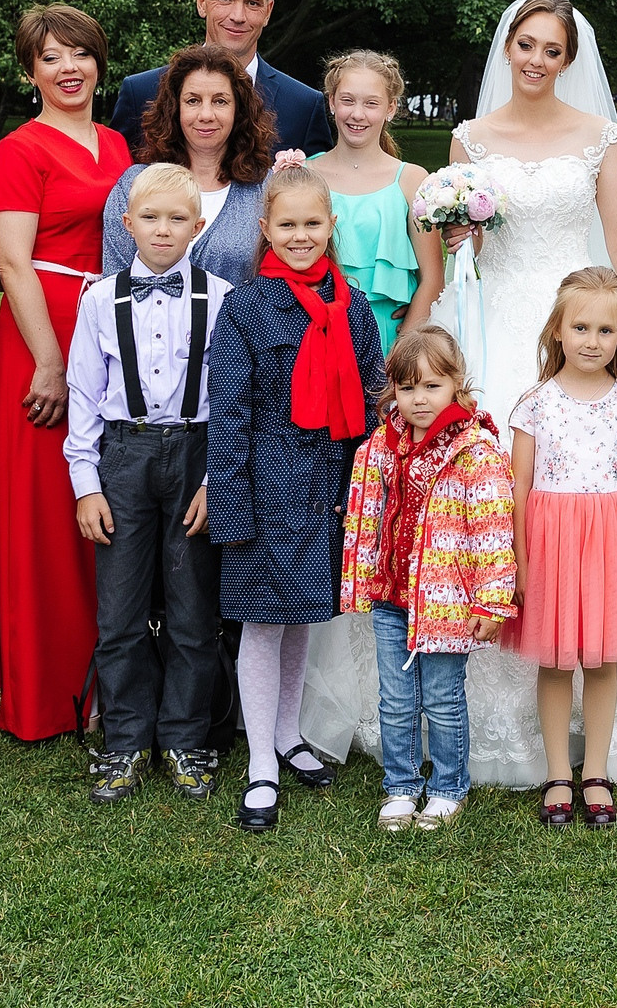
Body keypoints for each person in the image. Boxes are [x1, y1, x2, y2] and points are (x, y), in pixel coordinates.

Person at [206, 165, 389, 832]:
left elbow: (369, 401)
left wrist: (364, 492)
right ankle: (261, 761)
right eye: (287, 225)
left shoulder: (354, 307)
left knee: (304, 613)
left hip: (328, 485)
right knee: (262, 620)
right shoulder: (245, 308)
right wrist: (230, 505)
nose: (301, 235)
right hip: (265, 485)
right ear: (266, 229)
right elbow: (228, 414)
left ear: (331, 226)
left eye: (313, 223)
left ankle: (288, 735)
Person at [0, 4, 135, 744]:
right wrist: (47, 360)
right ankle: (46, 694)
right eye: (50, 57)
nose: (68, 68)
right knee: (45, 510)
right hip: (43, 327)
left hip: (107, 323)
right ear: (30, 72)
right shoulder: (20, 149)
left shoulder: (116, 142)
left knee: (101, 496)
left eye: (80, 53)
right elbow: (11, 261)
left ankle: (105, 680)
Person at [64, 163, 227, 804]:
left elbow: (232, 399)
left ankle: (185, 738)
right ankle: (126, 739)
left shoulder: (221, 298)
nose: (163, 229)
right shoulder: (99, 299)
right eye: (150, 217)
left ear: (198, 225)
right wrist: (86, 484)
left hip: (194, 456)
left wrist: (215, 480)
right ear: (127, 223)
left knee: (192, 608)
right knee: (120, 609)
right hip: (123, 458)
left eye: (177, 218)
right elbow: (83, 394)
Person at [440, 0, 617, 417]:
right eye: (526, 45)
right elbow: (474, 246)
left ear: (566, 61)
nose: (536, 60)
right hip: (492, 314)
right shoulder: (469, 140)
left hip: (579, 311)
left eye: (552, 51)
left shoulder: (600, 137)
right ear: (508, 48)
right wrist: (464, 238)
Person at [337, 327, 516, 832]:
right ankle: (400, 785)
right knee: (395, 699)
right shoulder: (380, 447)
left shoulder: (474, 451)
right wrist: (359, 579)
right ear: (392, 389)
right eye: (408, 387)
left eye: (432, 386)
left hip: (446, 602)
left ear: (457, 384)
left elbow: (493, 529)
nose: (419, 399)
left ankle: (447, 787)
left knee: (442, 698)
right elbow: (365, 515)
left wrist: (492, 601)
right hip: (392, 597)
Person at [507, 268, 617, 827]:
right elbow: (518, 489)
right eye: (581, 328)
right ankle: (557, 773)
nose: (592, 341)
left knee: (600, 659)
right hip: (551, 543)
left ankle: (594, 770)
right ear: (558, 330)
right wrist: (520, 561)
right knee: (555, 660)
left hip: (609, 545)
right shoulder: (535, 404)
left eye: (605, 331)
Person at [107, 0, 332, 155]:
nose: (238, 16)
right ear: (202, 2)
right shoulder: (141, 93)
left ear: (268, 12)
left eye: (252, 3)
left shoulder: (303, 106)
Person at [103, 46, 274, 289]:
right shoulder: (133, 184)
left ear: (239, 110)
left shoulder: (265, 189)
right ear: (175, 108)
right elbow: (114, 283)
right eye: (193, 101)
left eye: (220, 101)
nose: (206, 115)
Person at [313, 50, 443, 351]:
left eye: (371, 103)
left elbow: (432, 279)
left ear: (391, 108)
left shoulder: (412, 181)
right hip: (317, 336)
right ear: (331, 102)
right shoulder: (306, 174)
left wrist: (399, 356)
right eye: (347, 100)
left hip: (390, 339)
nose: (357, 114)